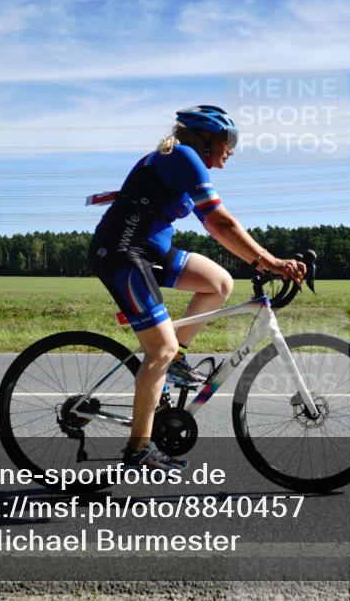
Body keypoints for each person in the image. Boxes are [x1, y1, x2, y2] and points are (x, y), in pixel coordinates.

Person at [88, 105, 306, 471]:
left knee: (218, 283)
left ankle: (174, 363)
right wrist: (269, 261)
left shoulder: (183, 158)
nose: (232, 149)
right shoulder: (184, 156)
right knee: (160, 349)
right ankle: (139, 449)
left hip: (150, 250)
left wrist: (262, 261)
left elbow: (217, 227)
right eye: (229, 140)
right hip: (124, 255)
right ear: (207, 137)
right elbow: (219, 223)